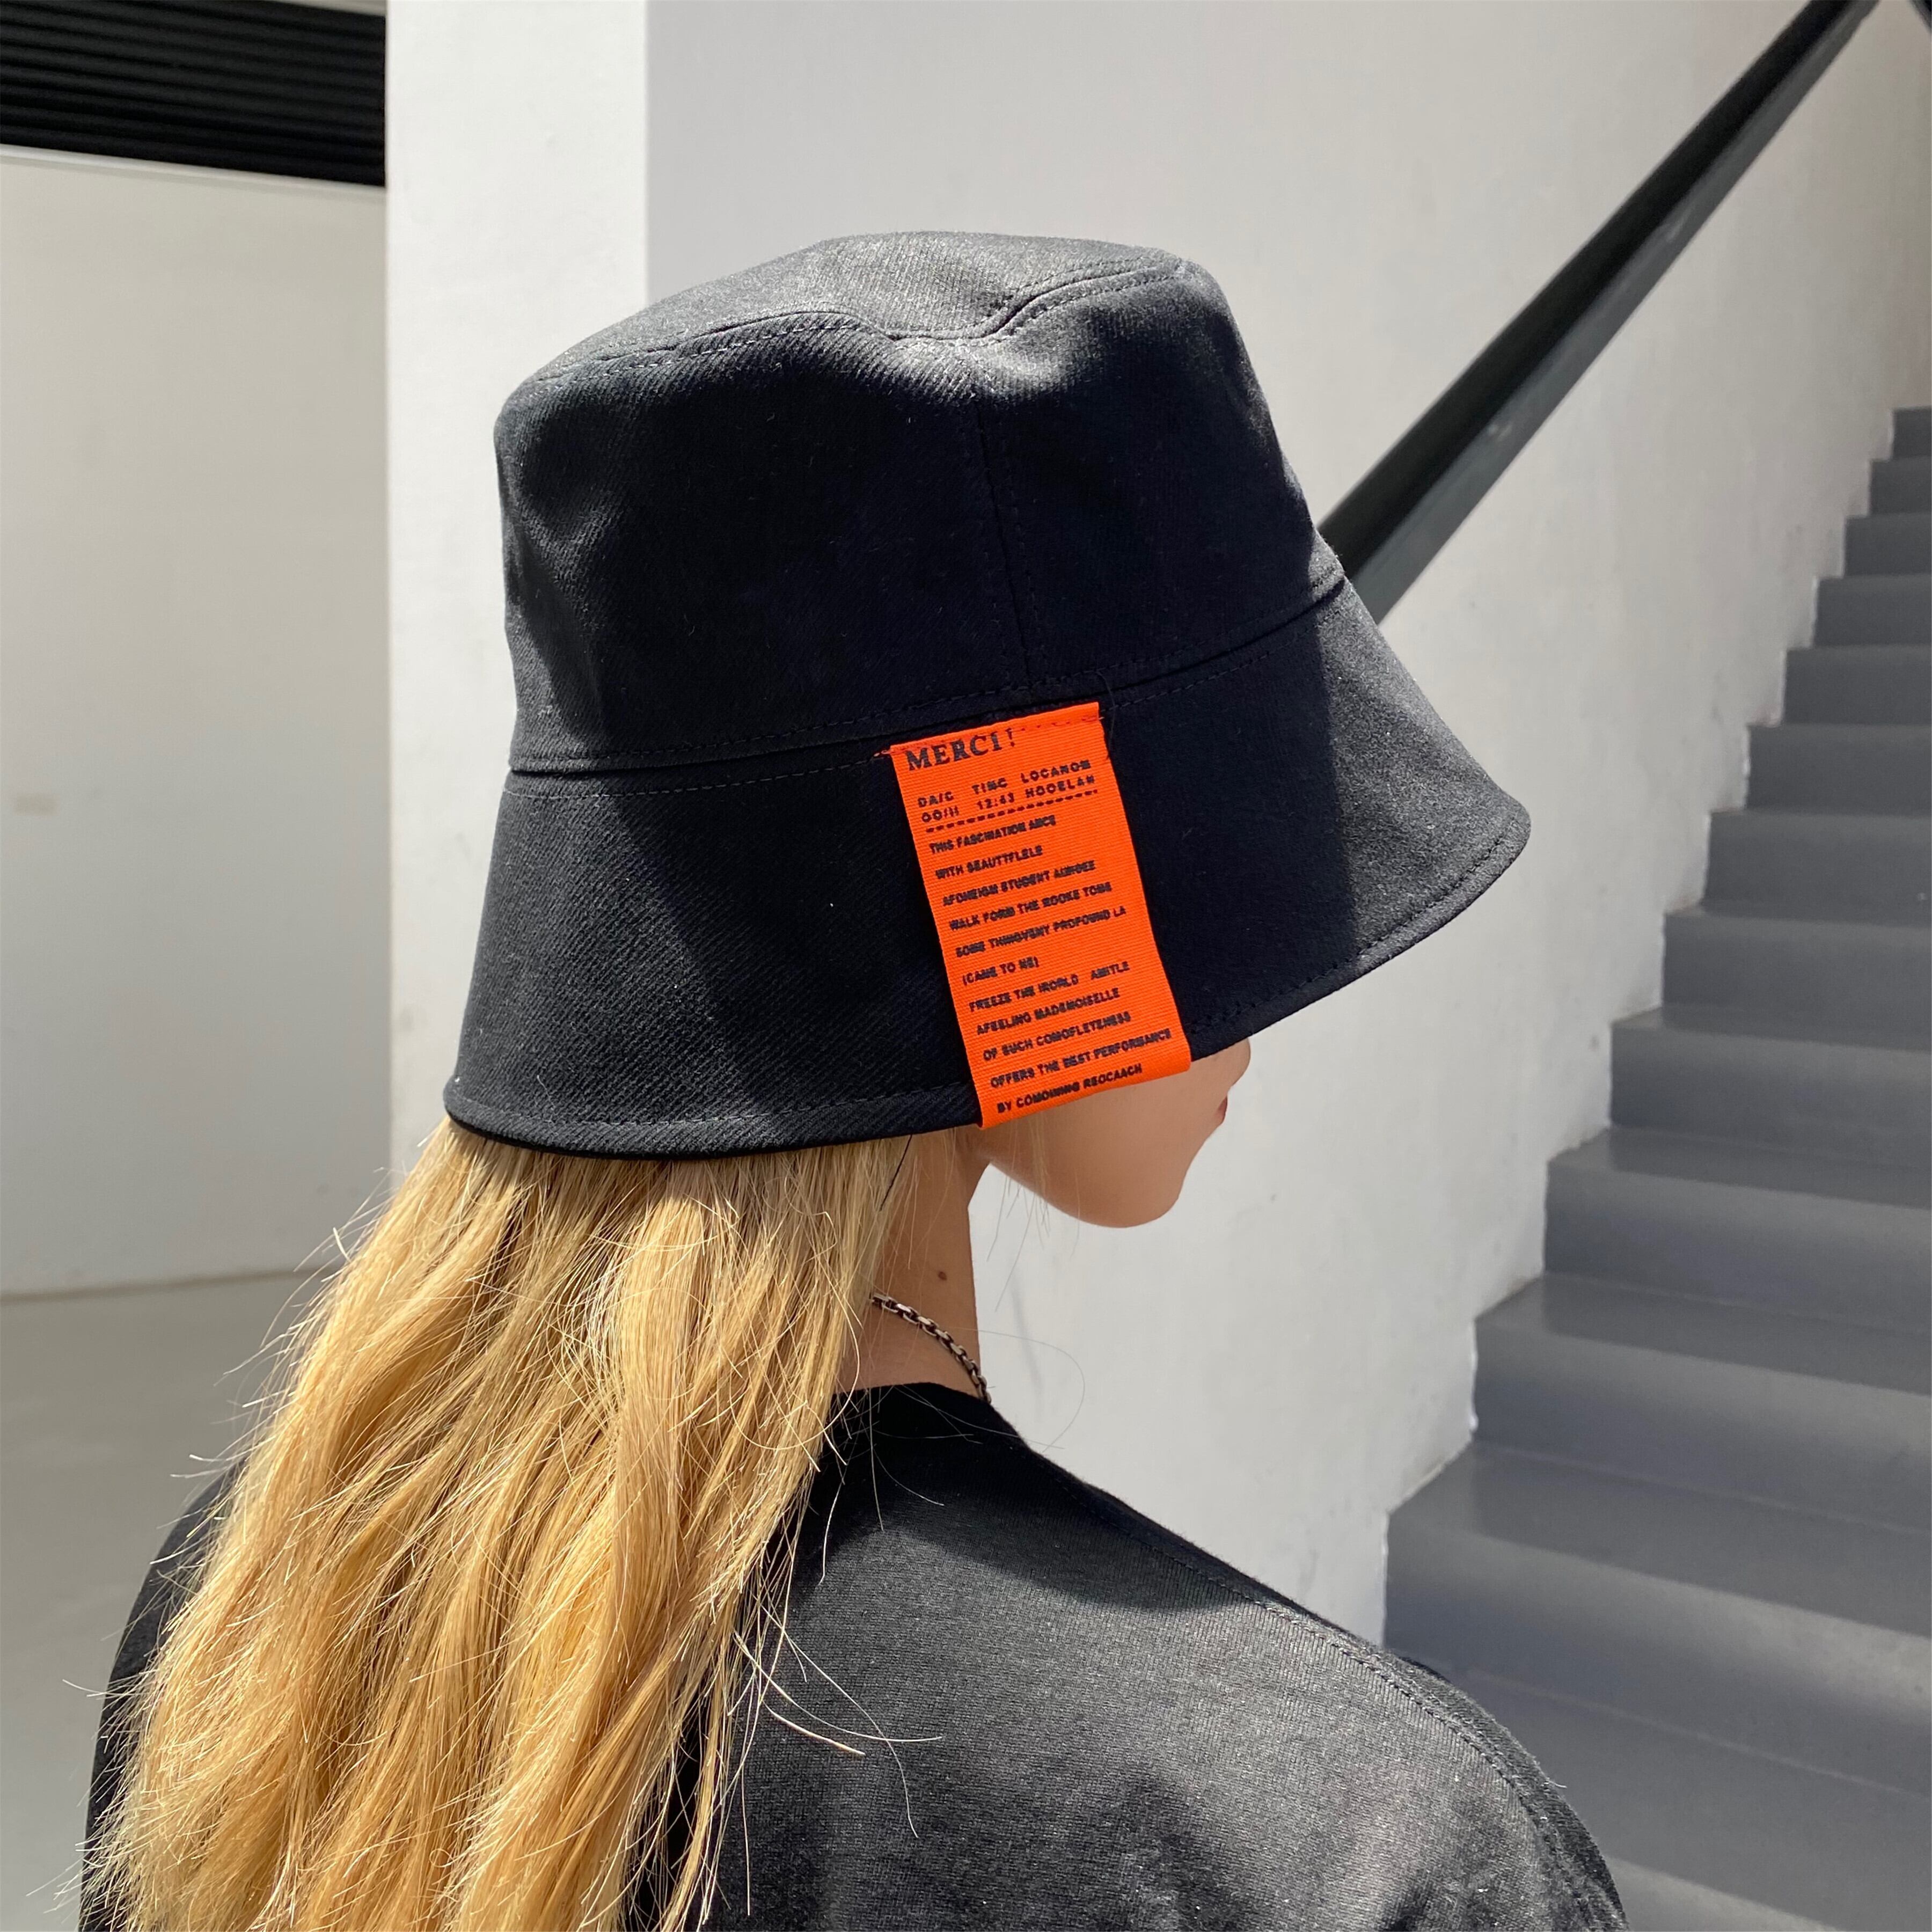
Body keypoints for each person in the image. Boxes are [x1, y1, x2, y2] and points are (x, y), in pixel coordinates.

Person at [80, 232, 1624, 1931]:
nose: (1263, 990)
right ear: (1033, 893)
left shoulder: (264, 1606)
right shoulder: (1336, 1850)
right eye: (1226, 845)